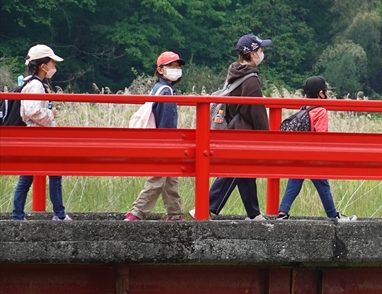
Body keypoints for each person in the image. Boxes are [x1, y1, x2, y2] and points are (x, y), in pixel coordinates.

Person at [189, 34, 271, 221]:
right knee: (236, 170)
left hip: (231, 128)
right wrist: (266, 136)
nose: (262, 53)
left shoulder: (234, 72)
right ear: (252, 54)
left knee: (245, 172)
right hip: (243, 132)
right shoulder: (251, 80)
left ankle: (254, 213)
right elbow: (257, 112)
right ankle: (204, 207)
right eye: (260, 50)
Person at [277, 76, 356, 222]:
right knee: (323, 185)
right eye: (326, 91)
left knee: (294, 183)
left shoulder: (304, 107)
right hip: (312, 156)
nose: (327, 94)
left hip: (299, 153)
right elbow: (321, 136)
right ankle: (333, 215)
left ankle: (283, 212)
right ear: (320, 93)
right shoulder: (320, 110)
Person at [125, 52, 186, 221]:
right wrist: (171, 144)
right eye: (171, 66)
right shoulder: (166, 92)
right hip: (165, 141)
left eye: (178, 66)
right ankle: (136, 213)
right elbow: (167, 123)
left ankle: (175, 214)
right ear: (160, 69)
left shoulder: (159, 88)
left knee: (170, 179)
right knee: (158, 179)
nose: (176, 69)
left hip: (158, 140)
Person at [11, 45, 71, 221]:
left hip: (33, 136)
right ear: (43, 66)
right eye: (52, 63)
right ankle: (59, 214)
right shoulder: (36, 85)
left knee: (28, 176)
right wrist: (50, 114)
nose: (54, 66)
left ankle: (18, 215)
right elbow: (33, 111)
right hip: (38, 136)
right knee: (52, 173)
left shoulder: (29, 83)